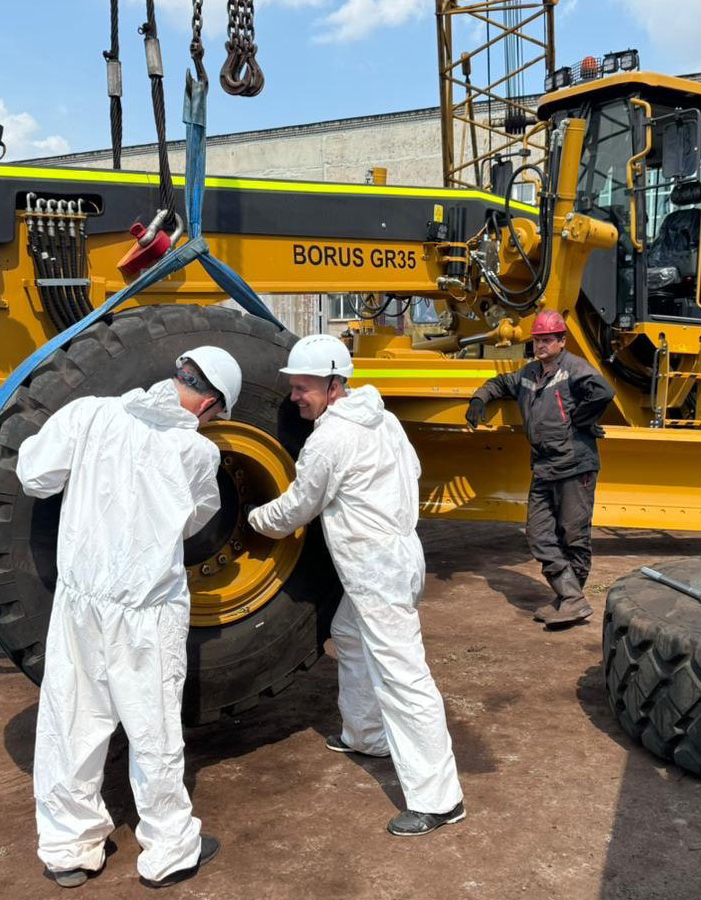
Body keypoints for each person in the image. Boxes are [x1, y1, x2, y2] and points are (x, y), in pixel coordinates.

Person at [15, 347, 242, 889]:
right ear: (208, 403)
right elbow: (195, 520)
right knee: (154, 727)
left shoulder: (90, 413)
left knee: (71, 720)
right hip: (147, 608)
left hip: (79, 601)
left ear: (178, 375)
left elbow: (34, 476)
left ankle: (70, 848)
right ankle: (168, 850)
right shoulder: (194, 451)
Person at [247, 334, 464, 837]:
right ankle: (365, 734)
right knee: (348, 634)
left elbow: (299, 506)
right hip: (401, 553)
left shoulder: (330, 439)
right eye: (294, 388)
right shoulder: (383, 419)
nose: (295, 397)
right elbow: (413, 468)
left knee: (404, 678)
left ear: (333, 384)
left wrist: (254, 520)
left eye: (303, 389)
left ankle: (439, 799)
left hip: (375, 567)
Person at [465, 309, 614, 627]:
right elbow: (500, 383)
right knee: (538, 534)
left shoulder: (574, 368)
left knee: (573, 537)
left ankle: (569, 600)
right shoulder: (529, 374)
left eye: (547, 340)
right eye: (537, 340)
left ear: (562, 341)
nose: (541, 345)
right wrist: (479, 399)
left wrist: (582, 419)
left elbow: (603, 392)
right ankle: (570, 598)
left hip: (575, 465)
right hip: (545, 466)